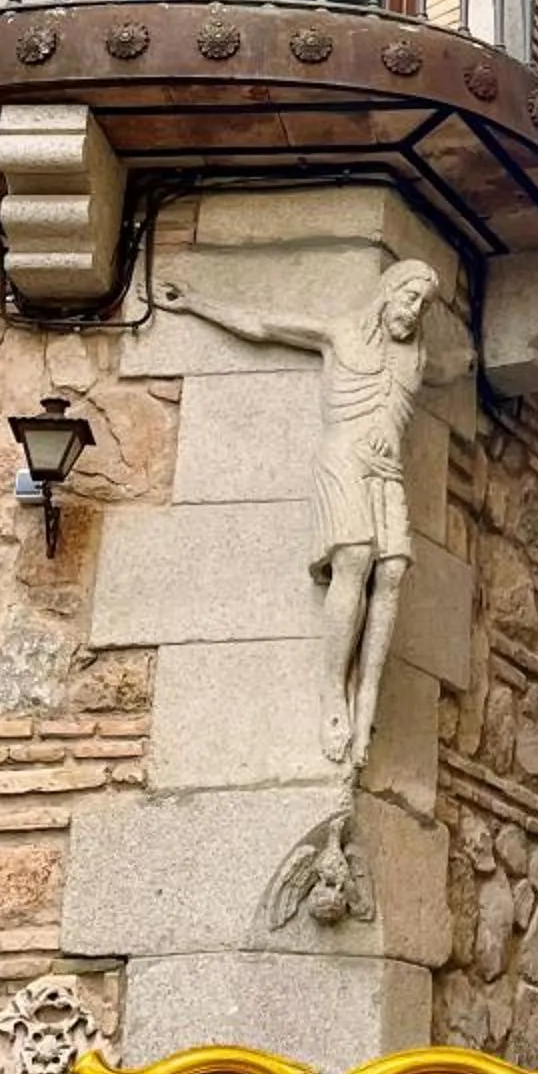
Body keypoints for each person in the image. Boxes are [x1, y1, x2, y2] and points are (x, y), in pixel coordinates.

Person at [157, 257, 472, 770]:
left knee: (391, 572)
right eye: (409, 297)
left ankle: (366, 696)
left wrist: (467, 363)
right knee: (354, 558)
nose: (414, 311)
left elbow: (441, 371)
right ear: (388, 292)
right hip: (344, 460)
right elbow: (264, 325)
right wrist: (196, 300)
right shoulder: (341, 334)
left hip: (386, 471)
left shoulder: (414, 358)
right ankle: (333, 695)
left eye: (423, 304)